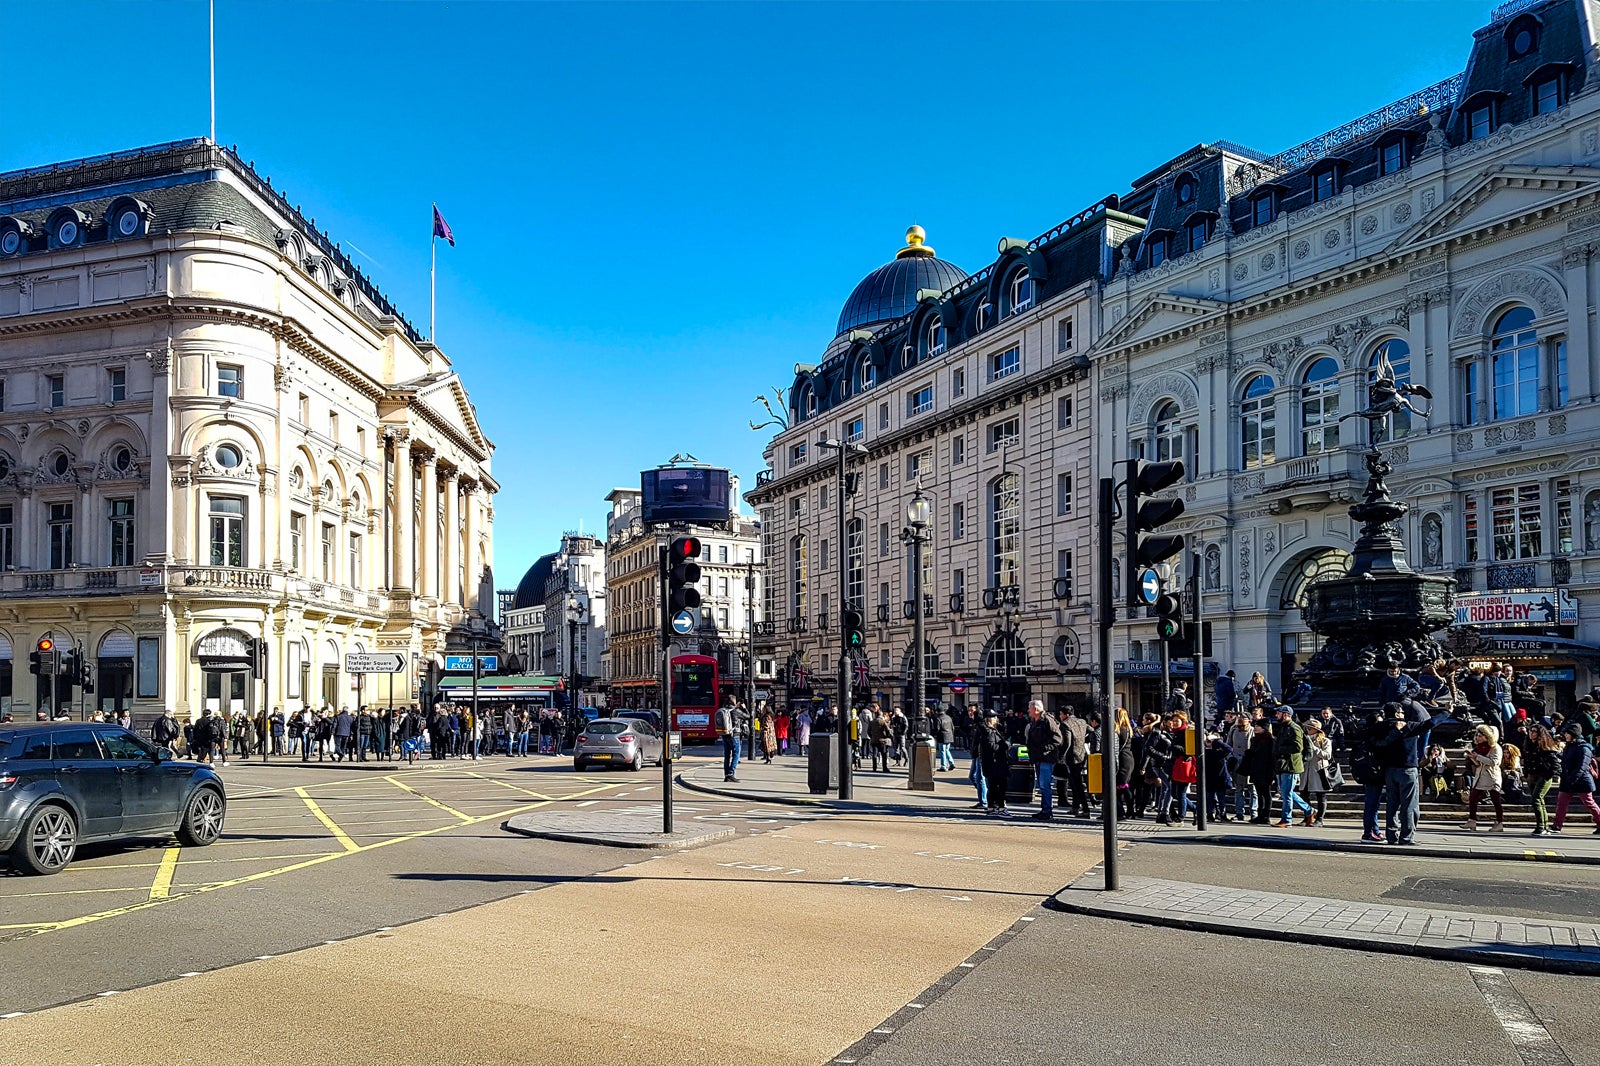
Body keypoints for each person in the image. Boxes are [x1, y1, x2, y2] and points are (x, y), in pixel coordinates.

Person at [1550, 722, 1600, 834]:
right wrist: (1555, 754)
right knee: (1561, 803)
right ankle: (1557, 826)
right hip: (1568, 780)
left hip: (1582, 781)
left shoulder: (1584, 748)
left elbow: (1582, 767)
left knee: (1589, 802)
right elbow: (1567, 760)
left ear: (1573, 734)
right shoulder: (1570, 746)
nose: (1565, 736)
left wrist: (1573, 778)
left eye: (1567, 734)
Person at [1349, 710, 1386, 842]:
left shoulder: (1364, 734)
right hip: (1374, 773)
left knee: (1372, 804)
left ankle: (1373, 830)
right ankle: (1369, 832)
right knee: (1372, 804)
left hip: (1367, 772)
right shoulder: (1375, 737)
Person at [1463, 724, 1506, 831]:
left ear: (1487, 736)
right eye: (1477, 735)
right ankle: (1472, 820)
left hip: (1491, 776)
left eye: (1480, 736)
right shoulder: (1479, 748)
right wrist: (1472, 757)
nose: (1478, 738)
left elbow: (1494, 762)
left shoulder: (1495, 748)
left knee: (1495, 799)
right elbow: (1478, 763)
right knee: (1473, 798)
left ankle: (1499, 822)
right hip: (1480, 776)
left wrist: (1477, 757)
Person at [1024, 701, 1062, 821]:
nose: (1028, 711)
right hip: (1038, 758)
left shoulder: (1047, 720)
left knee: (1045, 785)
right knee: (1042, 785)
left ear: (1036, 709)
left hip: (1046, 758)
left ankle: (1047, 811)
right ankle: (1044, 809)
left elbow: (1058, 738)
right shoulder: (1034, 721)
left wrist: (1046, 749)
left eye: (1029, 709)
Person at [1524, 723, 1562, 837]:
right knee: (1539, 800)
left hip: (1543, 775)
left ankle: (1541, 826)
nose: (1531, 733)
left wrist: (1547, 775)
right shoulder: (1529, 745)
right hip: (1532, 775)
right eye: (1530, 731)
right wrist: (1527, 773)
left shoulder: (1546, 748)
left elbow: (1556, 766)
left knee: (1536, 798)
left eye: (1534, 731)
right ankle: (1544, 825)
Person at [1300, 718, 1335, 827]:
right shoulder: (1304, 739)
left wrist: (1314, 748)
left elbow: (1327, 755)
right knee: (1304, 794)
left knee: (1321, 795)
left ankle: (1319, 819)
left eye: (1310, 728)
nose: (1308, 729)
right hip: (1306, 770)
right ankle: (1307, 816)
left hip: (1319, 771)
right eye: (1307, 727)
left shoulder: (1325, 741)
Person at [1241, 720, 1276, 825]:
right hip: (1256, 769)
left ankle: (1266, 815)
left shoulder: (1271, 740)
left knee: (1266, 793)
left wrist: (1272, 773)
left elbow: (1272, 757)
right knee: (1259, 793)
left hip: (1266, 770)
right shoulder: (1254, 740)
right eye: (1255, 726)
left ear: (1264, 728)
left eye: (1258, 726)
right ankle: (1260, 814)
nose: (1255, 728)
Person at [1057, 710, 1090, 818]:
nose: (1060, 716)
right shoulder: (1082, 721)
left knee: (1077, 783)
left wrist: (1061, 756)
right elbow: (1091, 730)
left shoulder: (1065, 724)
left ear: (1066, 714)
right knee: (1074, 781)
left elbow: (1067, 742)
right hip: (1081, 754)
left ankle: (1086, 809)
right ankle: (1075, 807)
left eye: (1061, 714)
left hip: (1072, 757)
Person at [978, 712, 1011, 817]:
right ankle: (1000, 808)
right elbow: (992, 747)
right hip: (995, 764)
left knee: (993, 786)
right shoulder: (989, 732)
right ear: (989, 719)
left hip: (993, 764)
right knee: (999, 786)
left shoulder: (990, 731)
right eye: (994, 717)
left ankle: (992, 807)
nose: (997, 719)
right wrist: (1005, 745)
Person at [966, 707, 989, 809]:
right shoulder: (974, 725)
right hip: (975, 754)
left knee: (980, 778)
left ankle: (984, 800)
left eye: (972, 711)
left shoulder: (980, 725)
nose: (970, 713)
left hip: (980, 754)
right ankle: (984, 796)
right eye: (969, 711)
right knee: (973, 777)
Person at [715, 699, 740, 783]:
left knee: (727, 755)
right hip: (734, 735)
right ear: (733, 702)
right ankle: (731, 774)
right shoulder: (735, 711)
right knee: (736, 755)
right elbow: (748, 716)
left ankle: (726, 775)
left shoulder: (723, 710)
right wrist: (743, 707)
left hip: (725, 735)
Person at [868, 708, 892, 773]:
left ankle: (874, 768)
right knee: (884, 754)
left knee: (874, 754)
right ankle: (884, 768)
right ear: (881, 715)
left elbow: (868, 731)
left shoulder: (872, 722)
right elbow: (888, 730)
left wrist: (872, 736)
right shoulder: (883, 722)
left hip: (874, 740)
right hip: (882, 740)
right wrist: (886, 736)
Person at [934, 705, 956, 772]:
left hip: (942, 736)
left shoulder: (938, 718)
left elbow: (937, 729)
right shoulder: (948, 717)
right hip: (949, 735)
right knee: (947, 750)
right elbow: (953, 727)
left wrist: (936, 735)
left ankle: (943, 766)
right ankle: (951, 762)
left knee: (942, 751)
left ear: (937, 711)